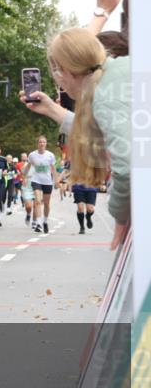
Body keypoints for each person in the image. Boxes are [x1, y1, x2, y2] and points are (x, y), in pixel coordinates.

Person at [22, 27, 129, 247]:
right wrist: (52, 109)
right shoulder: (116, 73)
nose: (58, 82)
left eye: (56, 72)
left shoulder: (103, 98)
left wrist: (120, 216)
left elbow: (127, 167)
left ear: (66, 70)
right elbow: (96, 134)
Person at [22, 136, 58, 233]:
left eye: (44, 142)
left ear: (46, 144)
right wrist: (23, 177)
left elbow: (53, 169)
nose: (42, 144)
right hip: (36, 180)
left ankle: (45, 221)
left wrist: (57, 181)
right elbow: (28, 167)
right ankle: (38, 223)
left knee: (46, 203)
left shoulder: (50, 155)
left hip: (47, 181)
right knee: (37, 201)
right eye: (40, 142)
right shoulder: (32, 155)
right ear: (37, 144)